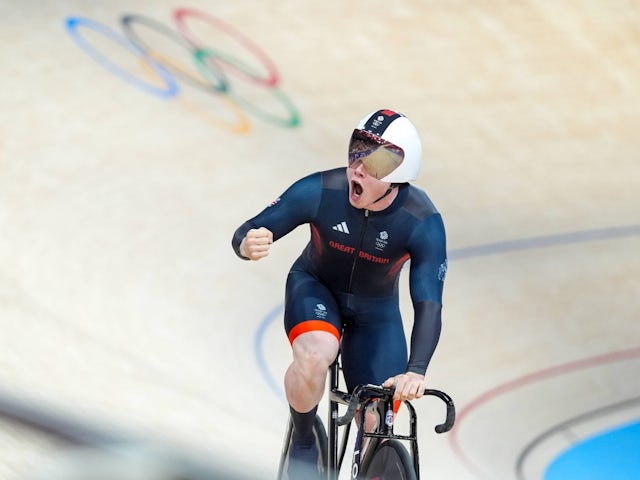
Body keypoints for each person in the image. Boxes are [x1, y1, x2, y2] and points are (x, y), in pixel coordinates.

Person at [231, 109, 447, 479]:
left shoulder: (421, 221)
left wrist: (417, 370)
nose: (358, 167)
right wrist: (246, 244)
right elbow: (250, 229)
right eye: (356, 151)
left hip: (376, 313)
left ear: (399, 175)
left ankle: (370, 462)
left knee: (377, 410)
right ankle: (304, 439)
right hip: (315, 286)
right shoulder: (320, 190)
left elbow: (428, 302)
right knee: (317, 354)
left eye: (376, 160)